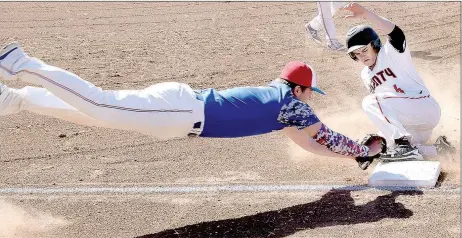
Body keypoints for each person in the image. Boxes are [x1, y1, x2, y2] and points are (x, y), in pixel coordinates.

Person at [0, 42, 382, 165]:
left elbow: (311, 144)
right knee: (101, 105)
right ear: (300, 89)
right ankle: (20, 63)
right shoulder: (291, 104)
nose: (309, 101)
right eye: (309, 93)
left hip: (180, 112)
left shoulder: (281, 105)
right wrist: (362, 149)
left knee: (96, 115)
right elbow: (325, 137)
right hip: (181, 111)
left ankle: (15, 100)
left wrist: (355, 157)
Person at [342, 2, 455, 162]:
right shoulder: (365, 75)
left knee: (369, 102)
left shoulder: (391, 53)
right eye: (356, 54)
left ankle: (403, 143)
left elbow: (396, 32)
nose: (362, 56)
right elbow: (385, 110)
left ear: (374, 44)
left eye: (364, 50)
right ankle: (438, 149)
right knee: (384, 148)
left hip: (424, 108)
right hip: (414, 124)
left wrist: (367, 15)